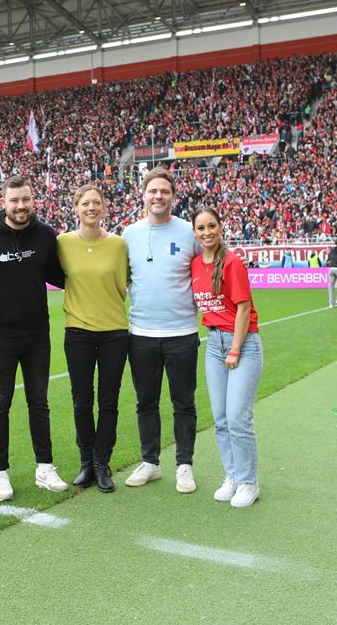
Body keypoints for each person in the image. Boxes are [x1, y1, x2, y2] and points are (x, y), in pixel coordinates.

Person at [0, 175, 68, 501]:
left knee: (39, 403)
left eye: (25, 199)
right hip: (1, 336)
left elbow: (58, 276)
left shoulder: (47, 235)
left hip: (38, 334)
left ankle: (45, 468)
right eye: (14, 200)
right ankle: (0, 473)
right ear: (3, 202)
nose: (20, 206)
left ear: (33, 200)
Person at [122, 167, 201, 494]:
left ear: (173, 196)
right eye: (152, 191)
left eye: (164, 192)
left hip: (182, 334)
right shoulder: (129, 234)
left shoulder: (188, 232)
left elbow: (207, 269)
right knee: (146, 402)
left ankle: (184, 465)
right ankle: (151, 462)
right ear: (143, 194)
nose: (158, 196)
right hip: (141, 335)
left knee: (184, 402)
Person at [57, 184, 129, 493]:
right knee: (82, 401)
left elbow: (127, 281)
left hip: (114, 332)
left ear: (104, 207)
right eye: (85, 203)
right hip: (78, 333)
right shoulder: (61, 243)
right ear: (76, 208)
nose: (91, 207)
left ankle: (103, 463)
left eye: (96, 202)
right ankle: (86, 462)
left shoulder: (119, 245)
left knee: (108, 402)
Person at [191, 207, 263, 509]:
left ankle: (249, 481)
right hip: (213, 343)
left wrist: (234, 349)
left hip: (242, 343)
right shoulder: (195, 264)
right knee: (220, 419)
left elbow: (244, 308)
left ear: (221, 228)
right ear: (194, 232)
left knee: (237, 417)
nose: (206, 232)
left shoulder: (232, 262)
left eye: (212, 226)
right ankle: (232, 476)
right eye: (200, 228)